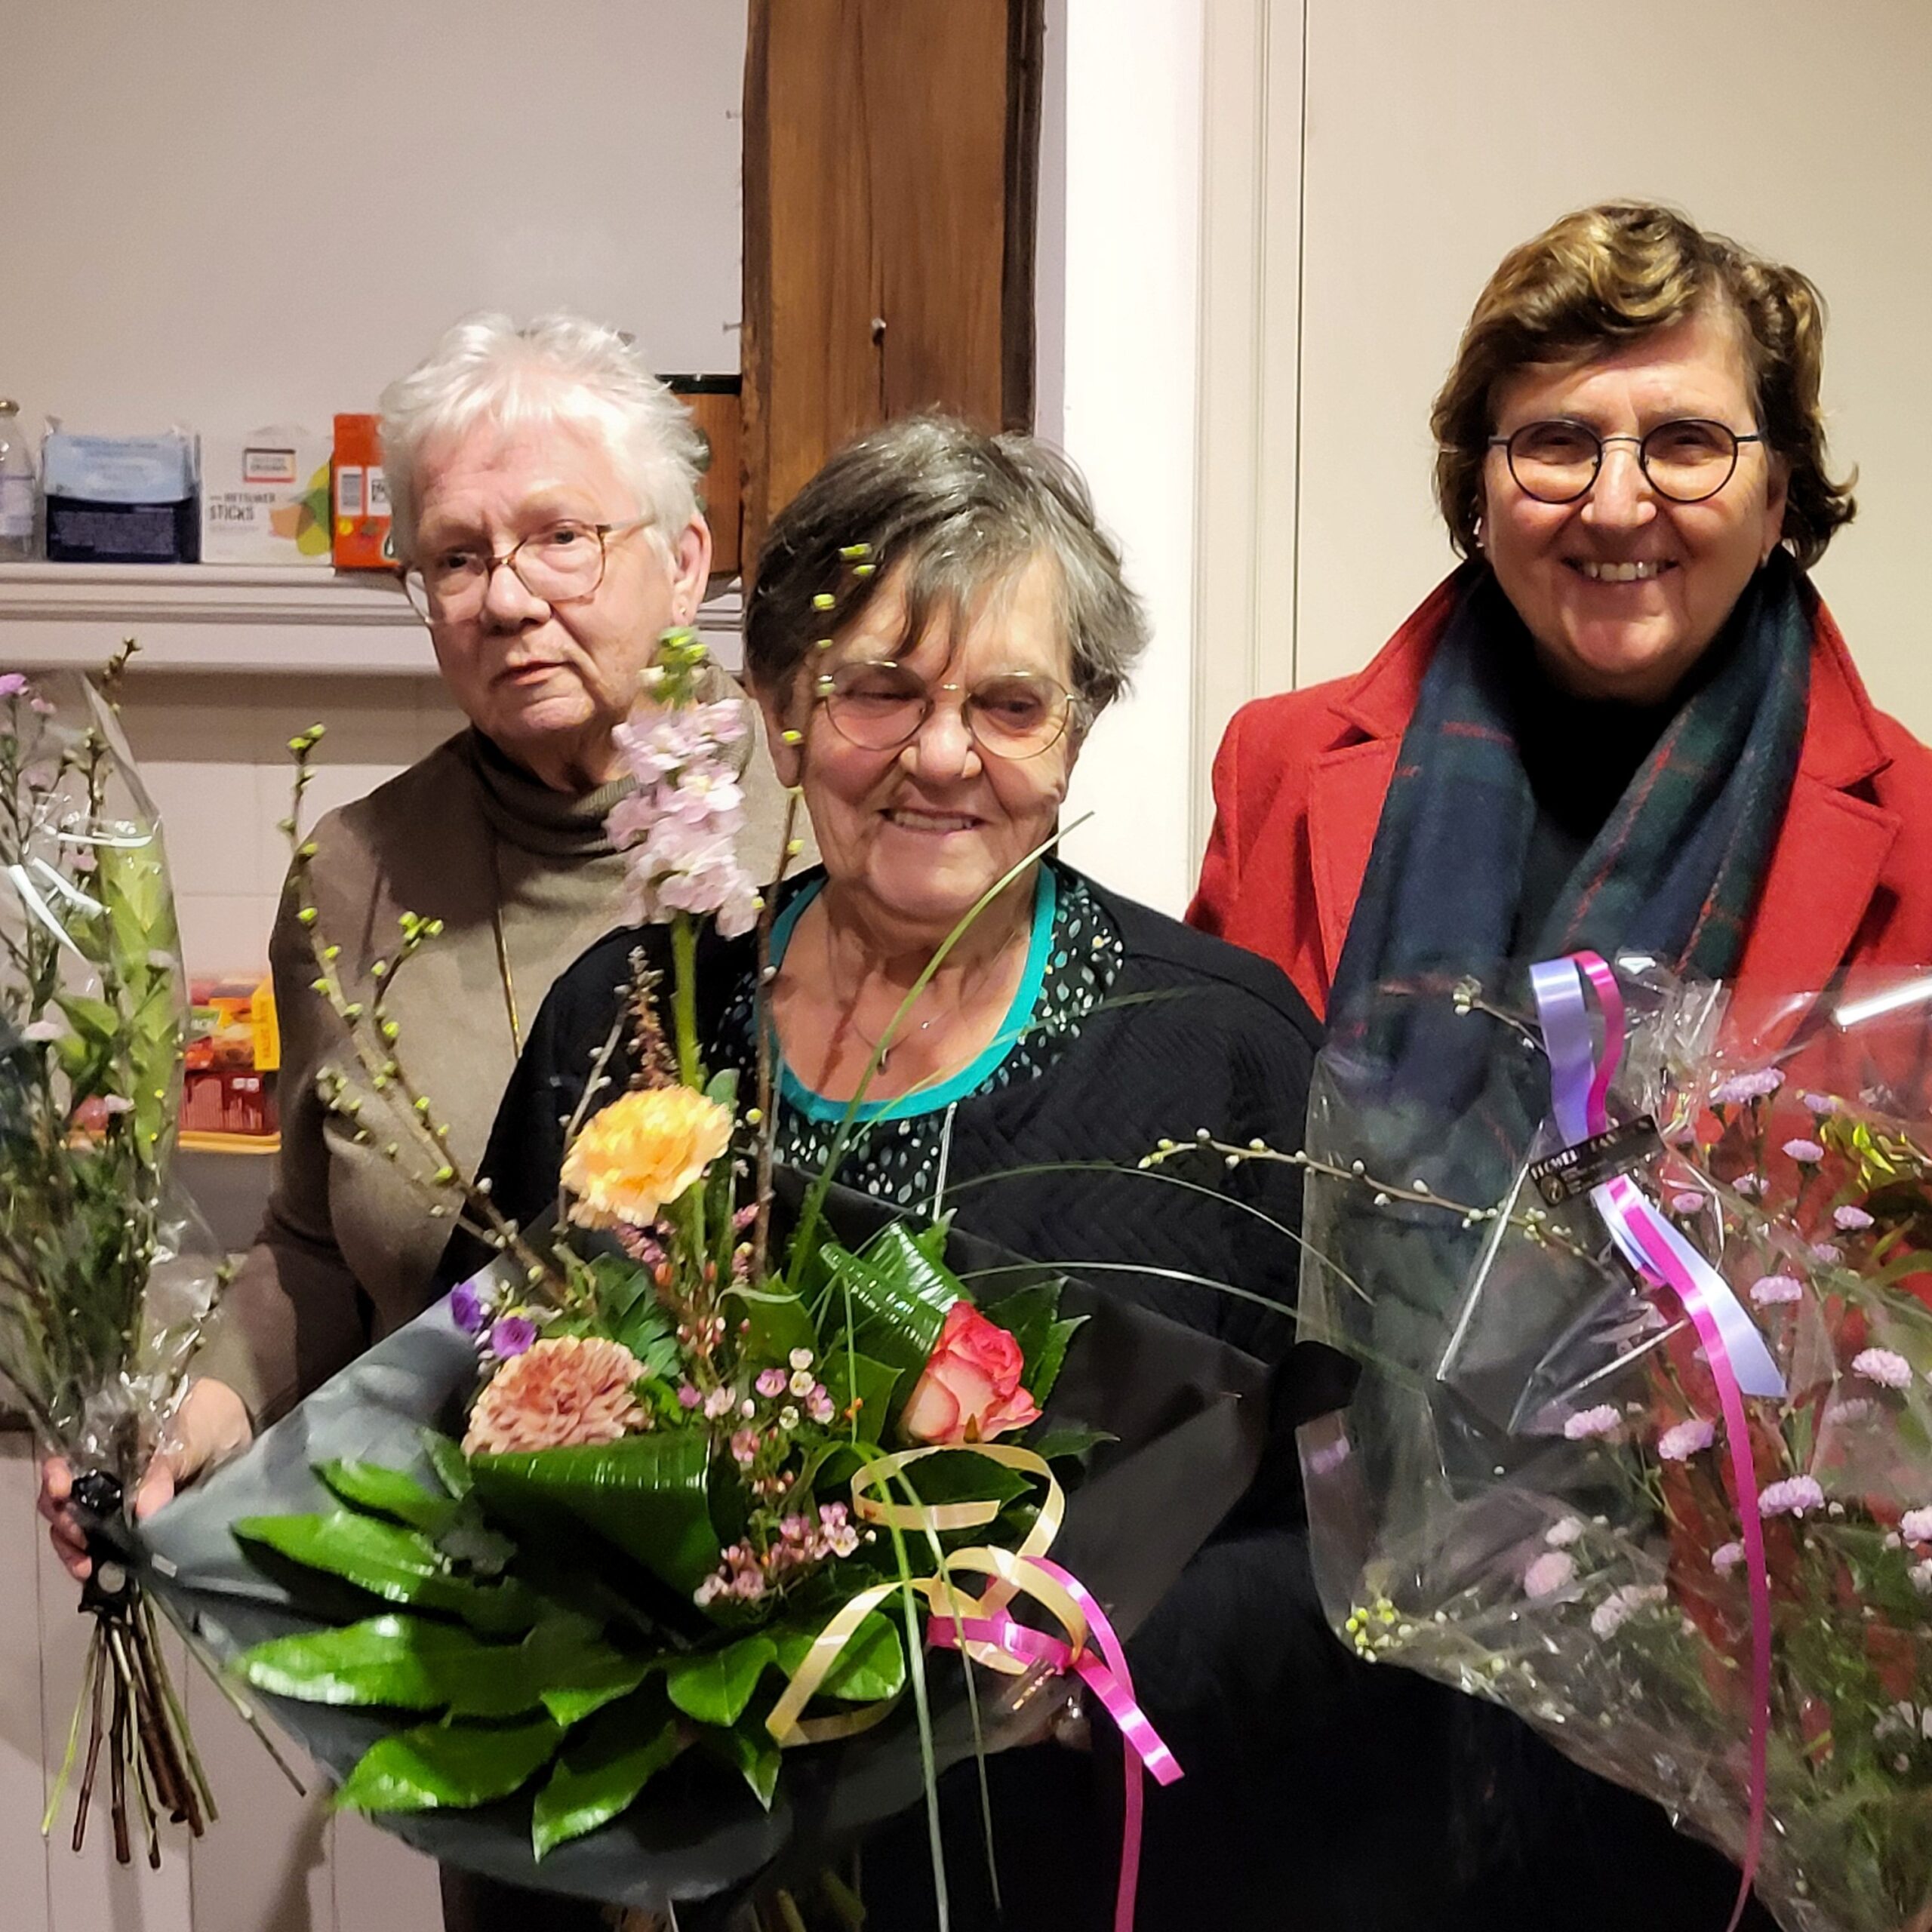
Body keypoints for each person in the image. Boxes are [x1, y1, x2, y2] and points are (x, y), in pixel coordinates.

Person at [474, 415, 1342, 1930]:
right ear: (774, 706)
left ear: (1075, 727)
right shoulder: (634, 1024)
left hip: (1091, 1870)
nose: (943, 755)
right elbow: (478, 1431)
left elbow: (1362, 1528)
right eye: (876, 688)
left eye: (1007, 701)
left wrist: (1083, 1652)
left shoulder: (1223, 1052)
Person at [1190, 202, 1932, 1927]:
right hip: (1321, 1679)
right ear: (1475, 476)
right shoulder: (1285, 766)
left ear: (1780, 487)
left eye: (1681, 438)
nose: (1612, 500)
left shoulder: (1911, 826)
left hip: (1723, 1730)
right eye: (1552, 440)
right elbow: (1220, 1197)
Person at [38, 312, 797, 1932]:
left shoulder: (817, 831)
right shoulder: (359, 875)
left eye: (557, 537)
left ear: (683, 553)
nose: (506, 593)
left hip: (797, 1692)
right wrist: (187, 1422)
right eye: (452, 555)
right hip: (487, 1676)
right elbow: (316, 1248)